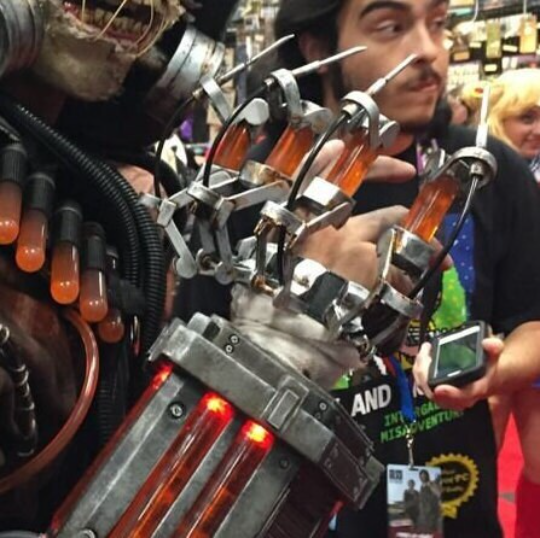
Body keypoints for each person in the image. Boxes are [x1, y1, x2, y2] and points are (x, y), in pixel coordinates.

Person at [248, 1, 540, 537]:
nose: (429, 51)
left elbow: (532, 318)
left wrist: (494, 370)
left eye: (438, 23)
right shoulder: (259, 192)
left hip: (449, 497)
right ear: (318, 46)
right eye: (391, 27)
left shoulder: (486, 171)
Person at [484, 67, 540, 538]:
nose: (538, 129)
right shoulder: (477, 180)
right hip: (488, 340)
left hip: (536, 334)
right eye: (527, 117)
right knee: (474, 464)